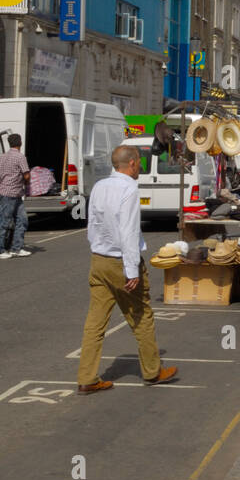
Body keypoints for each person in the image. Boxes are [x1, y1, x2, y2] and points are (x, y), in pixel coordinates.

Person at [76, 145, 178, 395]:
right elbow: (129, 231)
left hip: (99, 258)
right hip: (121, 261)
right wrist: (131, 269)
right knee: (141, 316)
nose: (140, 167)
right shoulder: (129, 189)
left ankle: (87, 377)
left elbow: (93, 224)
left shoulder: (100, 186)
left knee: (95, 322)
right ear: (131, 163)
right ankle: (153, 371)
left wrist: (97, 248)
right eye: (139, 163)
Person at [0, 133, 31, 259]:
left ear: (9, 143)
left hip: (7, 193)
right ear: (20, 143)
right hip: (11, 194)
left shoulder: (2, 156)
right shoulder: (20, 157)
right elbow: (27, 175)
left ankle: (16, 248)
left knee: (21, 219)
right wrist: (27, 184)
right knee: (5, 221)